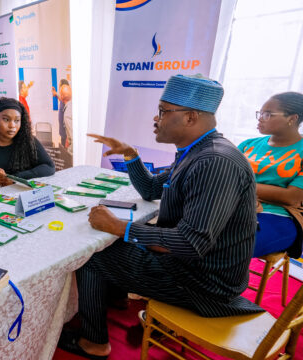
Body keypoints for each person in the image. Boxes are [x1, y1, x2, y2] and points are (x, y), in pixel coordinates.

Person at [57, 74, 263, 359]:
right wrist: (130, 155)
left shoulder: (214, 162)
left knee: (92, 255)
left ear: (191, 117)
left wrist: (121, 227)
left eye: (164, 111)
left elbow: (192, 244)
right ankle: (115, 299)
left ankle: (94, 343)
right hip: (194, 268)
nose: (156, 119)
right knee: (109, 241)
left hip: (203, 285)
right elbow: (153, 188)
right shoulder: (194, 152)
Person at [238, 92, 303, 258]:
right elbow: (223, 178)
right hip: (235, 205)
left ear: (292, 118)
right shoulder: (248, 145)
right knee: (189, 235)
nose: (260, 118)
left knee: (231, 246)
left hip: (279, 216)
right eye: (259, 113)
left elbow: (291, 197)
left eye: (267, 114)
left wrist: (241, 184)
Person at [0, 97, 55, 186]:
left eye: (17, 120)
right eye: (6, 119)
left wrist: (15, 178)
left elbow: (49, 167)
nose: (12, 125)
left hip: (20, 193)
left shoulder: (29, 141)